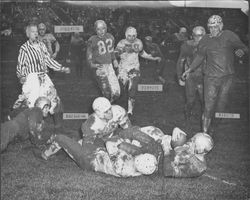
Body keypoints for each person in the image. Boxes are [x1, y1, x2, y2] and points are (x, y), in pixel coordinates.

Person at [40, 124, 213, 178]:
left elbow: (167, 170)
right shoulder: (130, 170)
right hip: (151, 157)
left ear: (200, 149)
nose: (189, 142)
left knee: (85, 138)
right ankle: (117, 136)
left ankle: (51, 144)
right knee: (135, 132)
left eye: (192, 142)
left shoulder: (195, 166)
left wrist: (171, 147)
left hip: (92, 159)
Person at [182, 15, 248, 134]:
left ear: (221, 26)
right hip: (211, 78)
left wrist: (242, 51)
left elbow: (244, 47)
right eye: (211, 27)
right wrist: (189, 69)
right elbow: (200, 56)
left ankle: (213, 128)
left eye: (216, 27)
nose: (213, 29)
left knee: (221, 106)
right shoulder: (205, 39)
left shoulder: (229, 35)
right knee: (208, 106)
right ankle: (204, 133)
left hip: (227, 78)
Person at [13, 22, 70, 128]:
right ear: (28, 34)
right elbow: (20, 65)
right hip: (31, 79)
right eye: (33, 32)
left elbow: (48, 60)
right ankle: (31, 127)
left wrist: (61, 68)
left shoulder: (42, 45)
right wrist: (21, 76)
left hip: (44, 77)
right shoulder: (24, 48)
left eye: (36, 31)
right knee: (32, 103)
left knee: (53, 98)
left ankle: (57, 125)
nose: (35, 34)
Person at [115, 27, 161, 116]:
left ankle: (130, 111)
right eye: (129, 36)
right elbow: (115, 54)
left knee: (132, 89)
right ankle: (118, 106)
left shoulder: (138, 42)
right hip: (123, 69)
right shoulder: (121, 43)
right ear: (125, 35)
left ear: (136, 35)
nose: (131, 38)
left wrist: (153, 58)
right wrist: (121, 51)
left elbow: (142, 53)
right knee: (120, 90)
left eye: (133, 36)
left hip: (134, 68)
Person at [176, 26, 206, 121]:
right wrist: (179, 76)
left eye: (200, 35)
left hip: (205, 76)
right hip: (191, 76)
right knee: (190, 100)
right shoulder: (187, 45)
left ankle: (205, 119)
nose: (198, 38)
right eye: (196, 35)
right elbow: (181, 61)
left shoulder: (209, 45)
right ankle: (187, 114)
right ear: (192, 36)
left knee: (205, 100)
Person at [86, 20, 120, 103]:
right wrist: (91, 64)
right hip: (100, 67)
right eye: (98, 29)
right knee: (107, 92)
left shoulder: (110, 37)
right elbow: (89, 54)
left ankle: (108, 104)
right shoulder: (92, 40)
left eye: (103, 28)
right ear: (95, 30)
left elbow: (111, 51)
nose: (101, 31)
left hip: (109, 66)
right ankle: (105, 108)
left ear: (106, 28)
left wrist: (114, 59)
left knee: (117, 93)